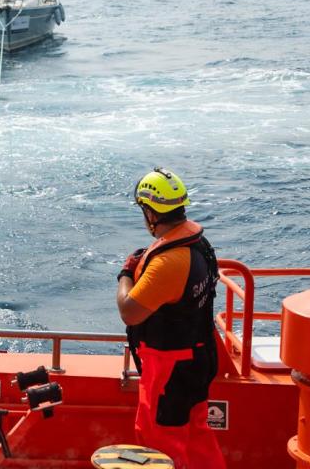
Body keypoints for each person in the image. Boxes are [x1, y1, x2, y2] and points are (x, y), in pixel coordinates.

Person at [115, 168, 226, 469]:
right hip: (198, 357)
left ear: (151, 213)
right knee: (198, 438)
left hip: (170, 371)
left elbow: (130, 311)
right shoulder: (196, 243)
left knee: (161, 445)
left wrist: (125, 273)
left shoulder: (168, 262)